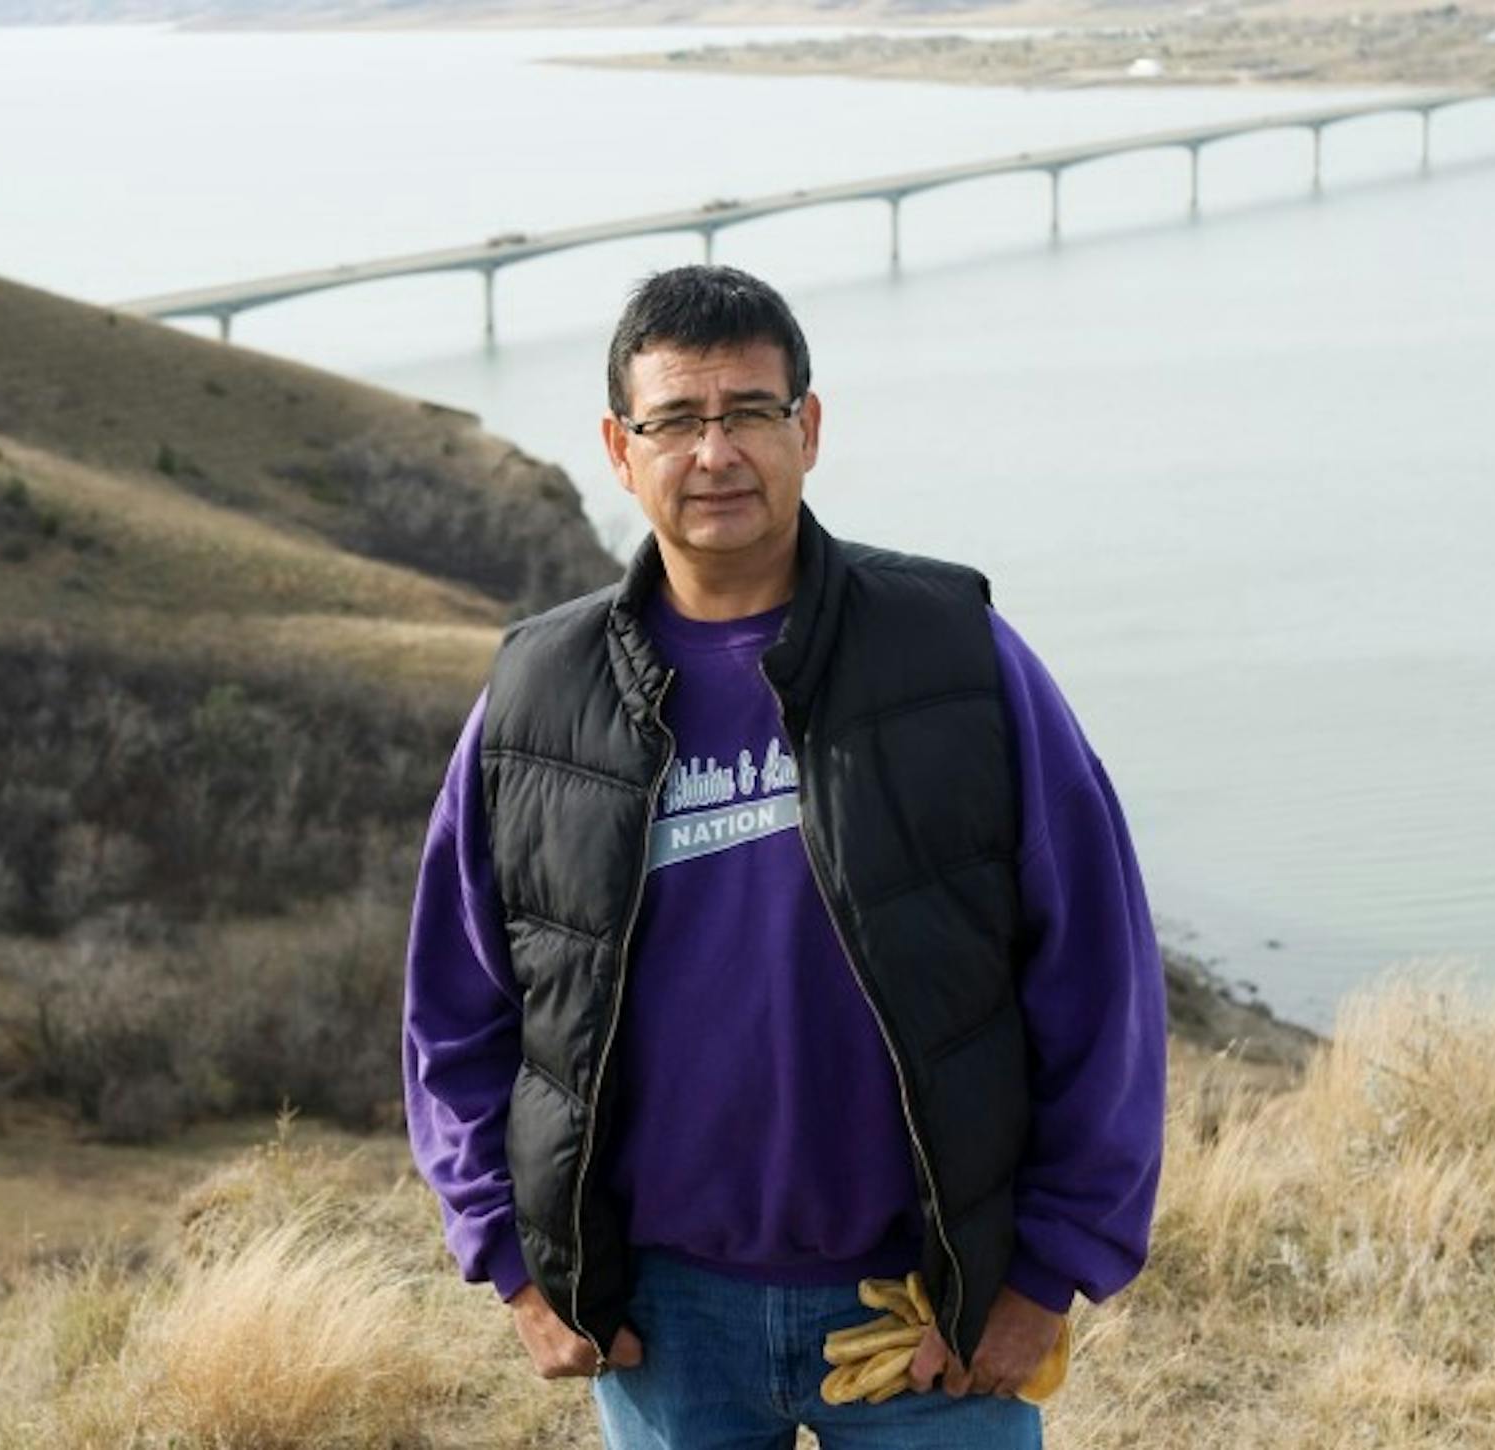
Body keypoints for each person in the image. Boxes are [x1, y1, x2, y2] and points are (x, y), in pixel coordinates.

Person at [403, 264, 1165, 1449]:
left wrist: (1045, 1273)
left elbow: (1098, 974)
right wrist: (512, 1261)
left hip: (926, 1302)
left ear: (807, 428)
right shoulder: (535, 698)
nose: (716, 453)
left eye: (750, 412)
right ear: (619, 446)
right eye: (676, 421)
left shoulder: (957, 656)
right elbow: (455, 1008)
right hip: (661, 1318)